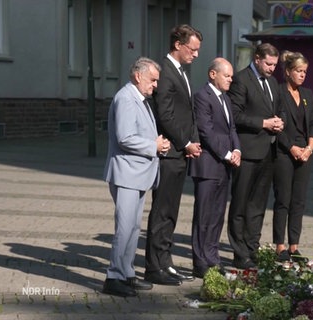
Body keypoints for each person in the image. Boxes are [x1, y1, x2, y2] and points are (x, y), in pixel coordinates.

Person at [102, 57, 170, 297]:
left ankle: (127, 273)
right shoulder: (126, 99)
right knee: (125, 227)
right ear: (137, 76)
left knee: (133, 228)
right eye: (152, 80)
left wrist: (157, 144)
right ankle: (114, 277)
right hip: (126, 173)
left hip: (136, 173)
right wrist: (154, 145)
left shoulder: (138, 98)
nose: (155, 86)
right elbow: (125, 137)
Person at [144, 24, 202, 285]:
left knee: (171, 212)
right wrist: (186, 142)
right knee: (162, 211)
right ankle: (154, 267)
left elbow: (186, 112)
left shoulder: (181, 71)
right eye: (193, 49)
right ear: (178, 45)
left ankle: (165, 263)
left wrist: (194, 141)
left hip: (180, 153)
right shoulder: (165, 72)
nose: (196, 54)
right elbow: (165, 115)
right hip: (170, 154)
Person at [227, 43, 284, 269]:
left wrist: (279, 121)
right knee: (240, 203)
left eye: (275, 65)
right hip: (247, 152)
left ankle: (253, 247)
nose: (272, 69)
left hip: (268, 152)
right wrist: (263, 123)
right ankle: (239, 252)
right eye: (269, 64)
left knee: (258, 206)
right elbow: (235, 115)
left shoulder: (272, 82)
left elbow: (278, 109)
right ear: (258, 59)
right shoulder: (242, 80)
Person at [189, 58, 241, 278]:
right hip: (208, 165)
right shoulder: (202, 97)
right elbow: (206, 131)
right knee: (204, 214)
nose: (231, 79)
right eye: (227, 75)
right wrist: (228, 154)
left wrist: (237, 150)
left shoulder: (226, 99)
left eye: (231, 76)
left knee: (218, 214)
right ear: (213, 74)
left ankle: (213, 257)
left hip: (224, 166)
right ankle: (200, 261)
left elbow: (232, 129)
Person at [272, 51, 313, 262]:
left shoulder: (307, 94)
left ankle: (294, 246)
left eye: (305, 72)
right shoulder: (279, 92)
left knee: (298, 201)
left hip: (304, 154)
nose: (302, 75)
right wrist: (291, 148)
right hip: (285, 152)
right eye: (299, 71)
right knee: (283, 199)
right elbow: (277, 126)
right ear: (288, 71)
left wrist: (309, 147)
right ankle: (279, 246)